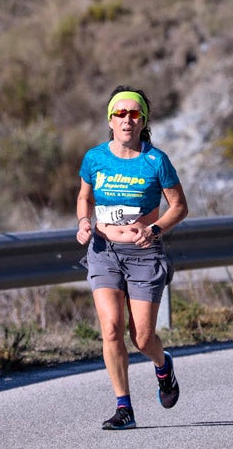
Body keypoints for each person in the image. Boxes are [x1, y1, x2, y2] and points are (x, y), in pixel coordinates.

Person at [76, 85, 189, 430]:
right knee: (111, 329)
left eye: (134, 113)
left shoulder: (156, 161)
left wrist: (153, 230)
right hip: (104, 250)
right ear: (110, 120)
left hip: (143, 253)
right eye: (120, 114)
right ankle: (124, 407)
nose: (127, 119)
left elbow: (180, 207)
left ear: (143, 120)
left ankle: (162, 365)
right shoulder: (95, 158)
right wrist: (83, 222)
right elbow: (85, 198)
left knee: (142, 339)